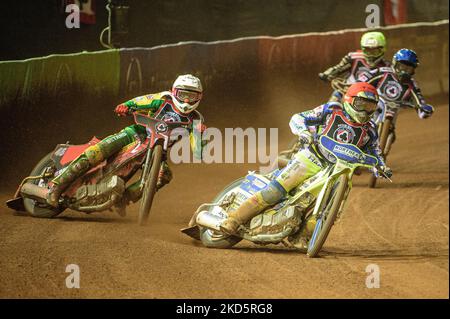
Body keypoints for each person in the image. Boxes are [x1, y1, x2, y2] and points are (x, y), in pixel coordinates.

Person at [220, 82, 391, 235]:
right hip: (313, 157)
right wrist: (303, 132)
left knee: (334, 209)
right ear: (349, 99)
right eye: (361, 104)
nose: (365, 110)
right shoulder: (332, 110)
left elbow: (375, 151)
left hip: (341, 171)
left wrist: (381, 166)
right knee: (276, 190)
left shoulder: (371, 129)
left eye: (370, 107)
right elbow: (299, 117)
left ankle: (305, 236)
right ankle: (234, 220)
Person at [47, 74, 206, 207]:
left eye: (191, 96)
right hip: (136, 134)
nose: (186, 101)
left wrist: (201, 137)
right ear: (174, 92)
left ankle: (123, 200)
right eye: (183, 95)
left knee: (164, 175)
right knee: (99, 151)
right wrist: (126, 106)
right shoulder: (163, 99)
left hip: (158, 151)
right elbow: (140, 101)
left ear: (199, 97)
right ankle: (57, 186)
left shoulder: (196, 120)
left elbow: (198, 153)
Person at [359, 48, 434, 153]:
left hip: (394, 110)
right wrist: (359, 87)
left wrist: (423, 108)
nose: (404, 71)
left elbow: (419, 99)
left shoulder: (412, 84)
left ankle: (383, 149)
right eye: (402, 67)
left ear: (413, 70)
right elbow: (364, 79)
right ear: (395, 63)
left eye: (408, 69)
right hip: (375, 103)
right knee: (357, 119)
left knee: (392, 134)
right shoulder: (384, 72)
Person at [319, 31, 390, 102]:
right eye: (367, 50)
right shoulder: (353, 57)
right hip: (346, 90)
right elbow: (339, 68)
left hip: (369, 97)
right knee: (334, 100)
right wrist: (327, 74)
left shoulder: (387, 67)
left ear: (383, 49)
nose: (371, 55)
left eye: (374, 51)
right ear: (362, 49)